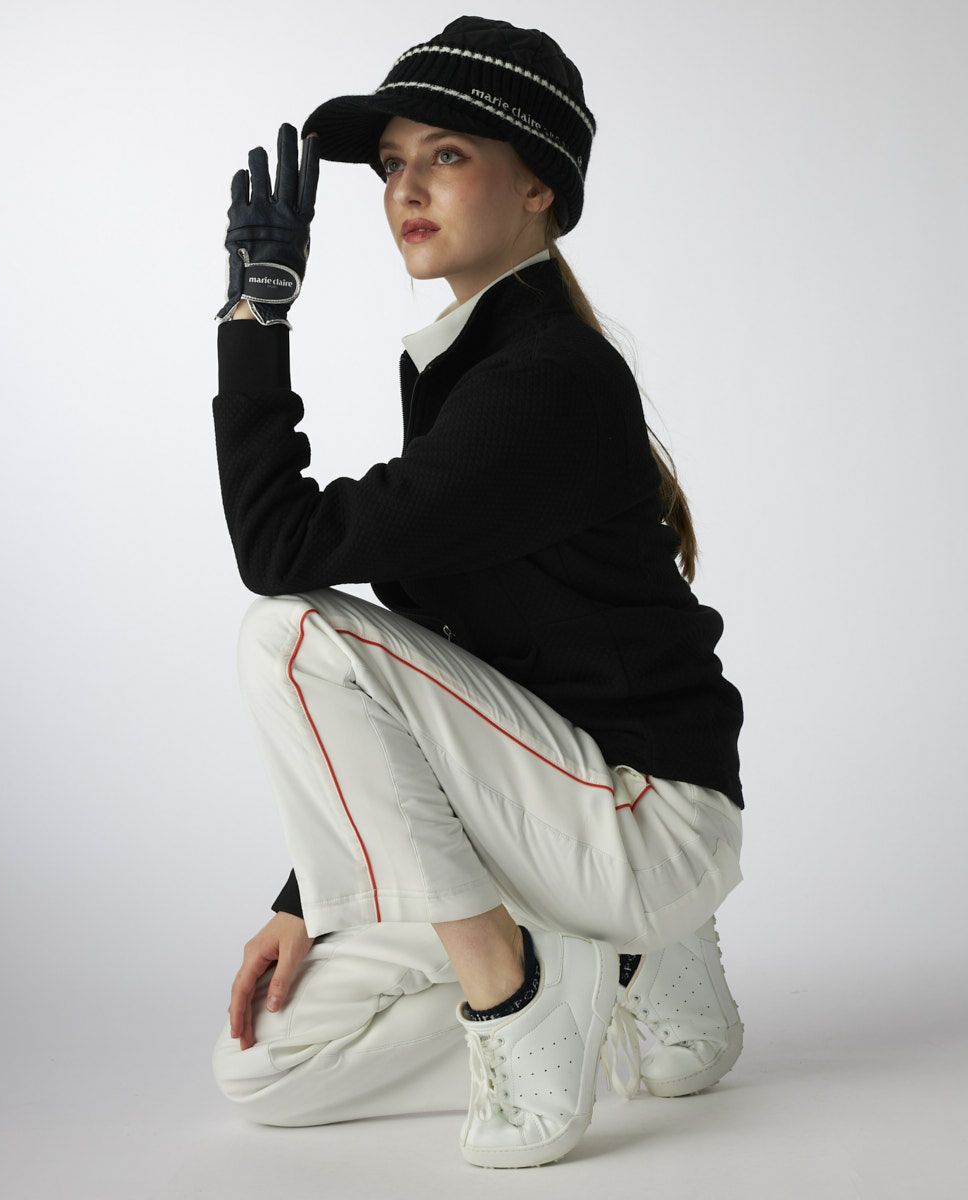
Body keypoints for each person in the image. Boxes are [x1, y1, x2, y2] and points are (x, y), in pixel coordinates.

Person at [208, 15, 747, 1170]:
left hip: (636, 816)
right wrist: (303, 898)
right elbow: (439, 669)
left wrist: (255, 320)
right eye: (391, 163)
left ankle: (517, 994)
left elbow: (279, 548)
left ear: (537, 186)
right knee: (264, 1067)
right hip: (544, 827)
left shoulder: (543, 380)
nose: (406, 188)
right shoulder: (468, 364)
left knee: (289, 635)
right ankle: (621, 968)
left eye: (446, 155)